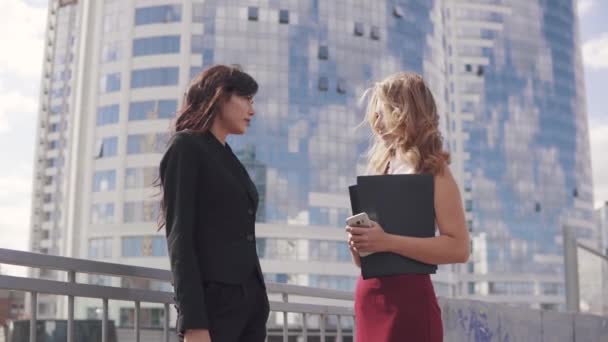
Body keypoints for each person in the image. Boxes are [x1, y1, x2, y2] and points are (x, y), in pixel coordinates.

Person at [347, 72, 470, 342]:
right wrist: (360, 244)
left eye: (383, 113)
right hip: (369, 302)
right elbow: (368, 258)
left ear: (405, 113)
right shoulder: (381, 169)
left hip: (408, 306)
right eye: (374, 115)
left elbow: (460, 248)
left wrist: (387, 241)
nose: (375, 123)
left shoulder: (434, 170)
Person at [158, 65, 269, 342]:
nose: (251, 111)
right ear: (220, 96)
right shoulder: (186, 147)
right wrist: (193, 321)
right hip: (214, 307)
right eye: (246, 99)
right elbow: (180, 239)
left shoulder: (229, 157)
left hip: (250, 305)